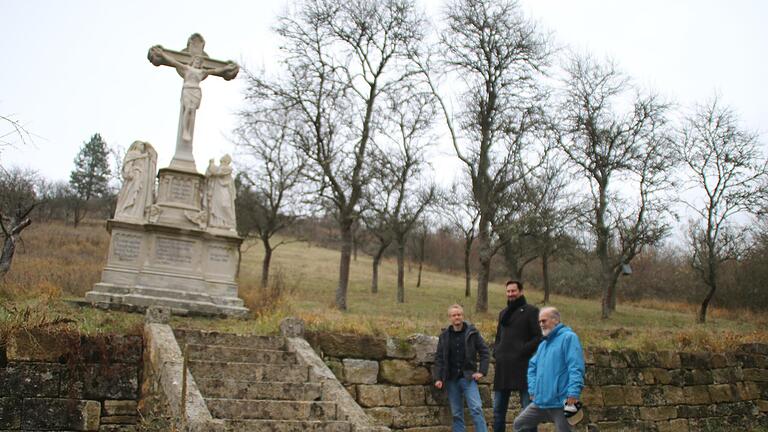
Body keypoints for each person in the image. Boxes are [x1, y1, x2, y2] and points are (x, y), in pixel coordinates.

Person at [513, 307, 585, 432]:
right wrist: (532, 390)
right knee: (519, 423)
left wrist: (573, 392)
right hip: (540, 402)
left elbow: (576, 367)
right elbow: (532, 366)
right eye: (540, 321)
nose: (541, 324)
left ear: (555, 320)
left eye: (544, 321)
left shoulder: (569, 338)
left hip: (560, 402)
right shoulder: (543, 345)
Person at [492, 280, 541, 432]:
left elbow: (538, 337)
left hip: (523, 366)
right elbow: (498, 337)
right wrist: (497, 352)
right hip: (503, 367)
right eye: (508, 291)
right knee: (498, 411)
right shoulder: (503, 313)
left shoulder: (531, 311)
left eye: (513, 291)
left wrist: (521, 350)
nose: (510, 294)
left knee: (528, 411)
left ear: (521, 291)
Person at [434, 304, 490, 432]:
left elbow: (484, 352)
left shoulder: (473, 333)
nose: (457, 317)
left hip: (468, 378)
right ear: (450, 318)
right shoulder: (444, 336)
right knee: (456, 414)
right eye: (454, 315)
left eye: (459, 314)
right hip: (451, 379)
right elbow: (439, 359)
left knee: (476, 409)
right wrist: (438, 378)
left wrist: (482, 371)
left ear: (462, 316)